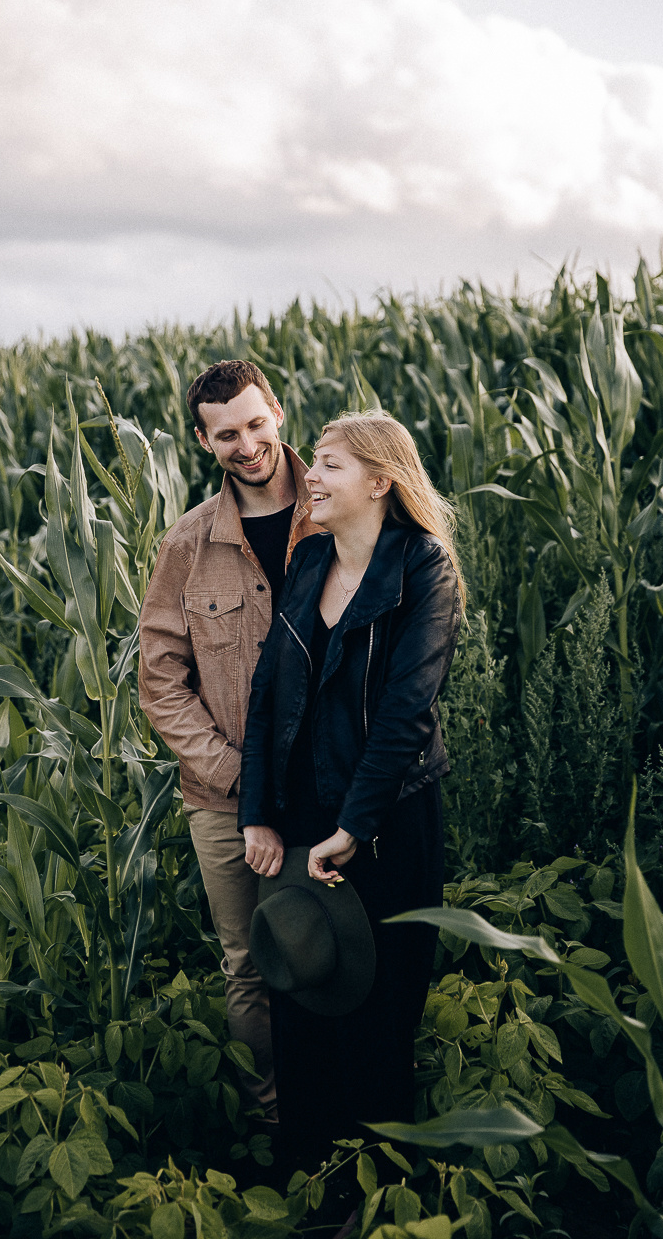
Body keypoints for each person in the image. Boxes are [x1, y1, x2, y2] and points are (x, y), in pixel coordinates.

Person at [237, 410, 464, 1166]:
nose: (311, 478)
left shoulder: (422, 566)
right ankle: (308, 1179)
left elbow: (406, 711)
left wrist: (354, 825)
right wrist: (259, 814)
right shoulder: (308, 563)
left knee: (377, 1014)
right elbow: (267, 694)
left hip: (388, 819)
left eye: (329, 464)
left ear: (379, 480)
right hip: (302, 817)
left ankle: (376, 1188)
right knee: (302, 998)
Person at [138, 360, 320, 1116]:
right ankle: (268, 1119)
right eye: (225, 435)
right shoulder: (188, 544)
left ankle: (334, 1109)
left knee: (332, 950)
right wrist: (240, 778)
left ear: (276, 411)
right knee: (250, 963)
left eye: (254, 424)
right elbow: (159, 682)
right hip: (220, 797)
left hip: (329, 782)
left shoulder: (337, 508)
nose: (245, 446)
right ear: (202, 440)